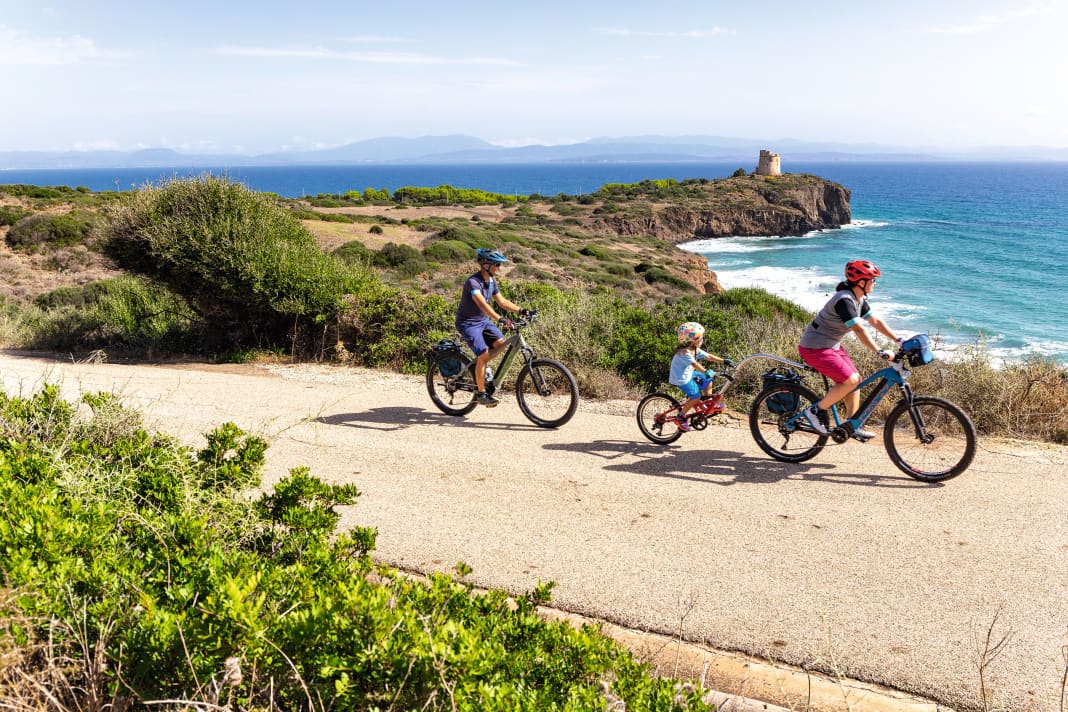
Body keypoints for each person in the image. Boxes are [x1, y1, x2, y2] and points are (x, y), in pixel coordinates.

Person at [798, 259, 902, 440]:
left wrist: (898, 339)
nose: (874, 283)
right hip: (814, 347)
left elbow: (875, 321)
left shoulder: (858, 299)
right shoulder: (844, 300)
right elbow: (859, 329)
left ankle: (852, 425)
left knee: (856, 380)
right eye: (872, 280)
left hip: (831, 345)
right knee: (850, 381)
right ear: (861, 282)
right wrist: (879, 351)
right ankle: (815, 411)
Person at [455, 247, 527, 407]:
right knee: (484, 354)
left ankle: (479, 366)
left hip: (482, 321)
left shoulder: (492, 281)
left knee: (501, 344)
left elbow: (502, 302)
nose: (499, 268)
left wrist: (522, 310)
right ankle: (481, 394)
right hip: (467, 323)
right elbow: (482, 304)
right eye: (497, 265)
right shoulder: (473, 282)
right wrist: (500, 318)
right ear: (486, 264)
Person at [670, 321, 732, 432]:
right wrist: (705, 371)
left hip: (689, 374)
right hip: (681, 379)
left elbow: (708, 356)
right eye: (701, 338)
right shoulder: (684, 352)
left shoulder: (694, 349)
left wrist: (723, 361)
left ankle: (708, 402)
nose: (702, 340)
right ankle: (681, 417)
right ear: (693, 341)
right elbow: (694, 364)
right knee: (696, 397)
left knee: (708, 379)